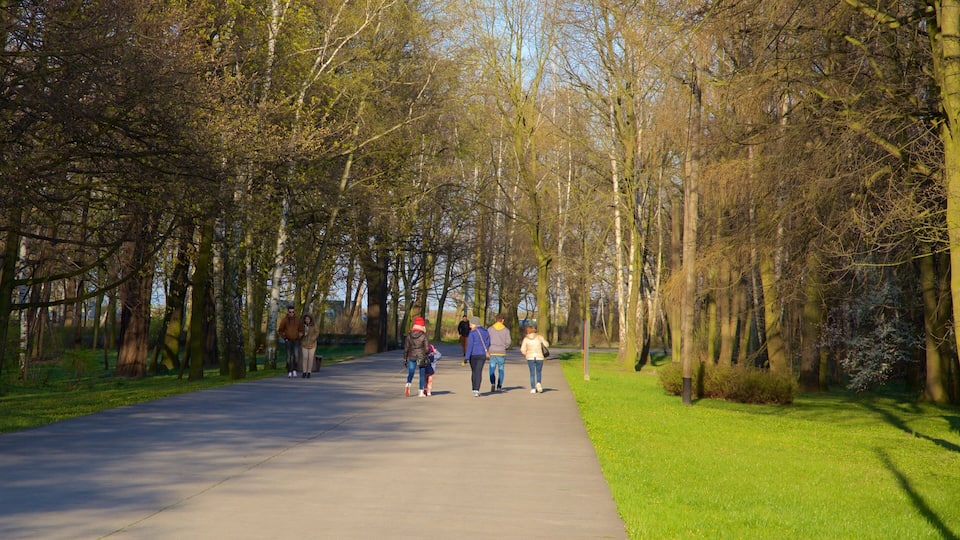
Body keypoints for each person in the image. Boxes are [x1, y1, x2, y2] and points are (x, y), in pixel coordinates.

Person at [403, 316, 431, 397]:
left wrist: (405, 358)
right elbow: (426, 348)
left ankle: (408, 384)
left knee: (411, 372)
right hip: (421, 356)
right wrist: (427, 353)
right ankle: (421, 391)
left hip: (411, 355)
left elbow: (406, 348)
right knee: (422, 374)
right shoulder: (424, 335)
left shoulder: (409, 335)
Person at [464, 316, 490, 397]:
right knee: (479, 372)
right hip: (482, 355)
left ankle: (474, 388)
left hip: (473, 355)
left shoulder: (472, 333)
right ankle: (477, 389)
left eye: (471, 324)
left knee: (474, 372)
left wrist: (466, 357)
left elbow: (470, 346)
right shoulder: (485, 332)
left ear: (474, 324)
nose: (469, 325)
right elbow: (488, 343)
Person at [520, 324, 549, 394]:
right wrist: (543, 341)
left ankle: (533, 388)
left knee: (532, 373)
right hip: (539, 357)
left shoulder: (526, 339)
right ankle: (538, 383)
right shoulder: (539, 337)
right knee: (539, 371)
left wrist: (526, 354)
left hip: (530, 357)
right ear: (534, 330)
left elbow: (522, 349)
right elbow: (547, 345)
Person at [486, 313, 511, 392]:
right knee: (501, 369)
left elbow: (487, 340)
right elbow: (508, 342)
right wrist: (504, 347)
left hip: (492, 351)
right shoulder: (506, 330)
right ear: (502, 320)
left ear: (495, 320)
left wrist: (488, 348)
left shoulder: (490, 329)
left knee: (492, 369)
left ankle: (493, 382)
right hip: (501, 352)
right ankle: (499, 386)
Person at [278, 305, 304, 378]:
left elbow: (301, 329)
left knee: (296, 356)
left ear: (294, 312)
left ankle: (294, 370)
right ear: (288, 312)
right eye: (290, 312)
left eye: (293, 312)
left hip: (296, 340)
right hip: (288, 340)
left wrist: (299, 336)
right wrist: (284, 337)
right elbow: (280, 330)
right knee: (289, 356)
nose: (291, 313)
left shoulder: (298, 320)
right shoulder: (284, 320)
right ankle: (289, 371)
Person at [300, 314, 320, 378]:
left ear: (310, 319)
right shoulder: (302, 326)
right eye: (306, 319)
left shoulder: (314, 325)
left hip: (312, 343)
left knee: (310, 358)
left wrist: (313, 338)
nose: (307, 320)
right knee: (305, 357)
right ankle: (304, 372)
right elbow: (299, 333)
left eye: (308, 319)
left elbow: (317, 332)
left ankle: (309, 372)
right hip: (304, 343)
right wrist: (302, 334)